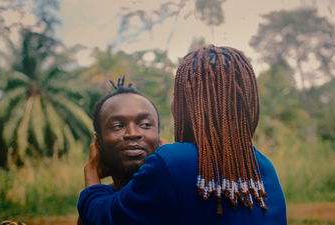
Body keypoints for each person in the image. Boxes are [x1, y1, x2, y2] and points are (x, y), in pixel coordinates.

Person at [78, 45, 287, 224]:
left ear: (185, 105)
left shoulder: (174, 162)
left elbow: (102, 217)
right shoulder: (263, 166)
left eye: (177, 94)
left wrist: (91, 171)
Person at [77, 77, 165, 225]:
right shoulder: (102, 198)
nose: (132, 133)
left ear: (158, 139)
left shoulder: (175, 191)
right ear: (98, 143)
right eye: (118, 126)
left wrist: (91, 169)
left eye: (145, 124)